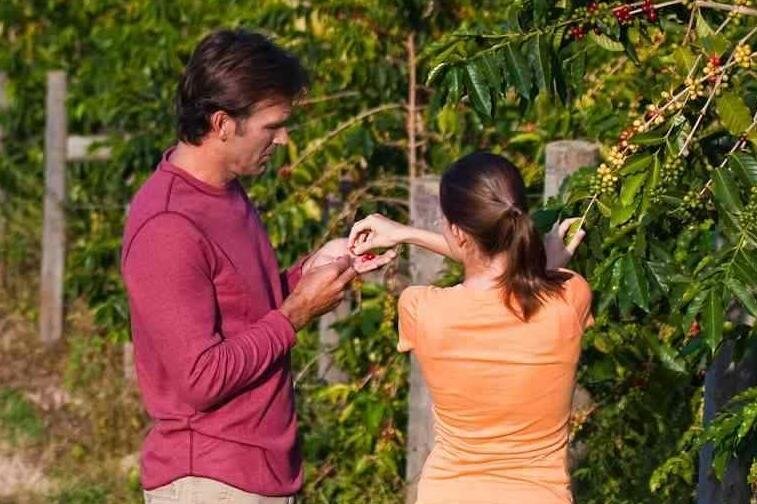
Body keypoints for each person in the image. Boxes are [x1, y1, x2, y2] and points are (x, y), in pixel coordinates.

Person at [121, 29, 394, 504]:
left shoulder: (225, 193)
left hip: (256, 473)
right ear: (223, 123)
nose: (284, 139)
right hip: (210, 480)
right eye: (273, 126)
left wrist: (313, 270)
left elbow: (242, 310)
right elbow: (201, 378)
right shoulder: (168, 225)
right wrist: (298, 312)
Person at [349, 151, 592, 503]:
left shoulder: (421, 309)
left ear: (457, 232)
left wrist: (406, 234)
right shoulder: (570, 297)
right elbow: (507, 273)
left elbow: (484, 266)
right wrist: (547, 267)